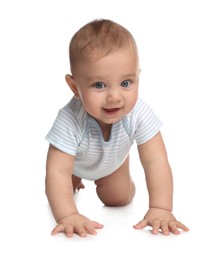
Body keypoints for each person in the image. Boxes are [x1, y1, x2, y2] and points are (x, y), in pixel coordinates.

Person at [45, 18, 189, 238]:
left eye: (125, 83)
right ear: (75, 87)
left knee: (118, 199)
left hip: (113, 164)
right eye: (99, 85)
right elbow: (57, 170)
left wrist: (161, 208)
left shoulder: (138, 112)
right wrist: (67, 215)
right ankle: (76, 180)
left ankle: (120, 168)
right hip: (74, 164)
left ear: (138, 77)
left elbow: (156, 160)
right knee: (60, 185)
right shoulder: (69, 119)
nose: (114, 97)